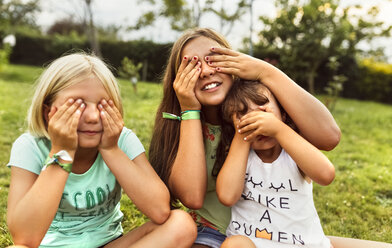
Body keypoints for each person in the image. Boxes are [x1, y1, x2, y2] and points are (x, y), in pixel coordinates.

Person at [149, 27, 392, 248]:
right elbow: (192, 197)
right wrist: (189, 109)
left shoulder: (259, 105)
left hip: (281, 234)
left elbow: (329, 138)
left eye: (214, 60)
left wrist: (266, 71)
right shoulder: (181, 123)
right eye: (192, 66)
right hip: (215, 235)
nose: (206, 71)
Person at [6, 53, 196, 248]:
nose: (93, 116)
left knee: (181, 224)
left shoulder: (122, 140)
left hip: (109, 244)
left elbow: (160, 210)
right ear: (48, 112)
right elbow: (24, 238)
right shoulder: (30, 146)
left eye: (103, 105)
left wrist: (111, 149)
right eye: (77, 104)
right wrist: (62, 152)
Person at [216, 80, 335, 247]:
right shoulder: (240, 156)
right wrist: (242, 134)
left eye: (263, 110)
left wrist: (279, 129)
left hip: (304, 245)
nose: (258, 122)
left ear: (283, 114)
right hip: (253, 243)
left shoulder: (294, 151)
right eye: (244, 116)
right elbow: (227, 196)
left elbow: (326, 175)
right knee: (233, 244)